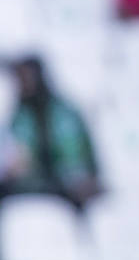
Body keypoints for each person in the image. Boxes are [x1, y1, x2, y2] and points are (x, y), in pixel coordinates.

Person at [3, 57, 102, 209]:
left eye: (25, 76)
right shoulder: (19, 115)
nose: (22, 82)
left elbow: (80, 159)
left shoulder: (64, 113)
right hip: (34, 185)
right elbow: (15, 160)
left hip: (68, 185)